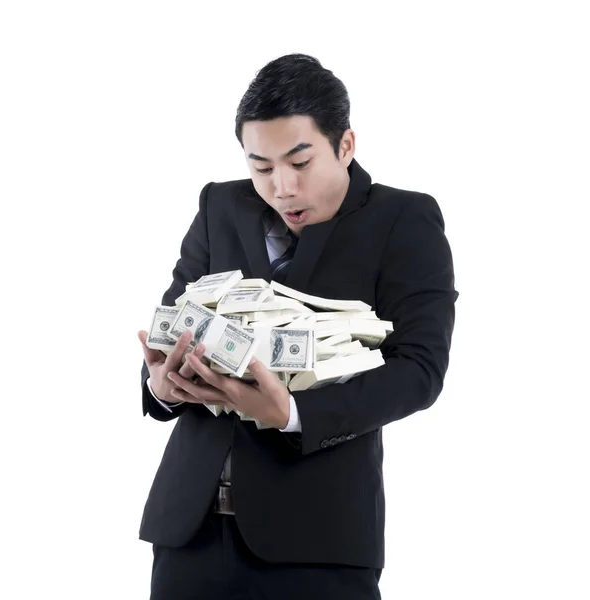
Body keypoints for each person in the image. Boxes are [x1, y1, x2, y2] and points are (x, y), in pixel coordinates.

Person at [137, 53, 459, 600]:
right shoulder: (218, 205)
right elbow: (175, 318)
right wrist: (160, 387)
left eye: (299, 162)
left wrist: (292, 414)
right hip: (187, 533)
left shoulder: (403, 219)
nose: (280, 186)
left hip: (317, 541)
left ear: (346, 145)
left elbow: (420, 371)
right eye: (260, 167)